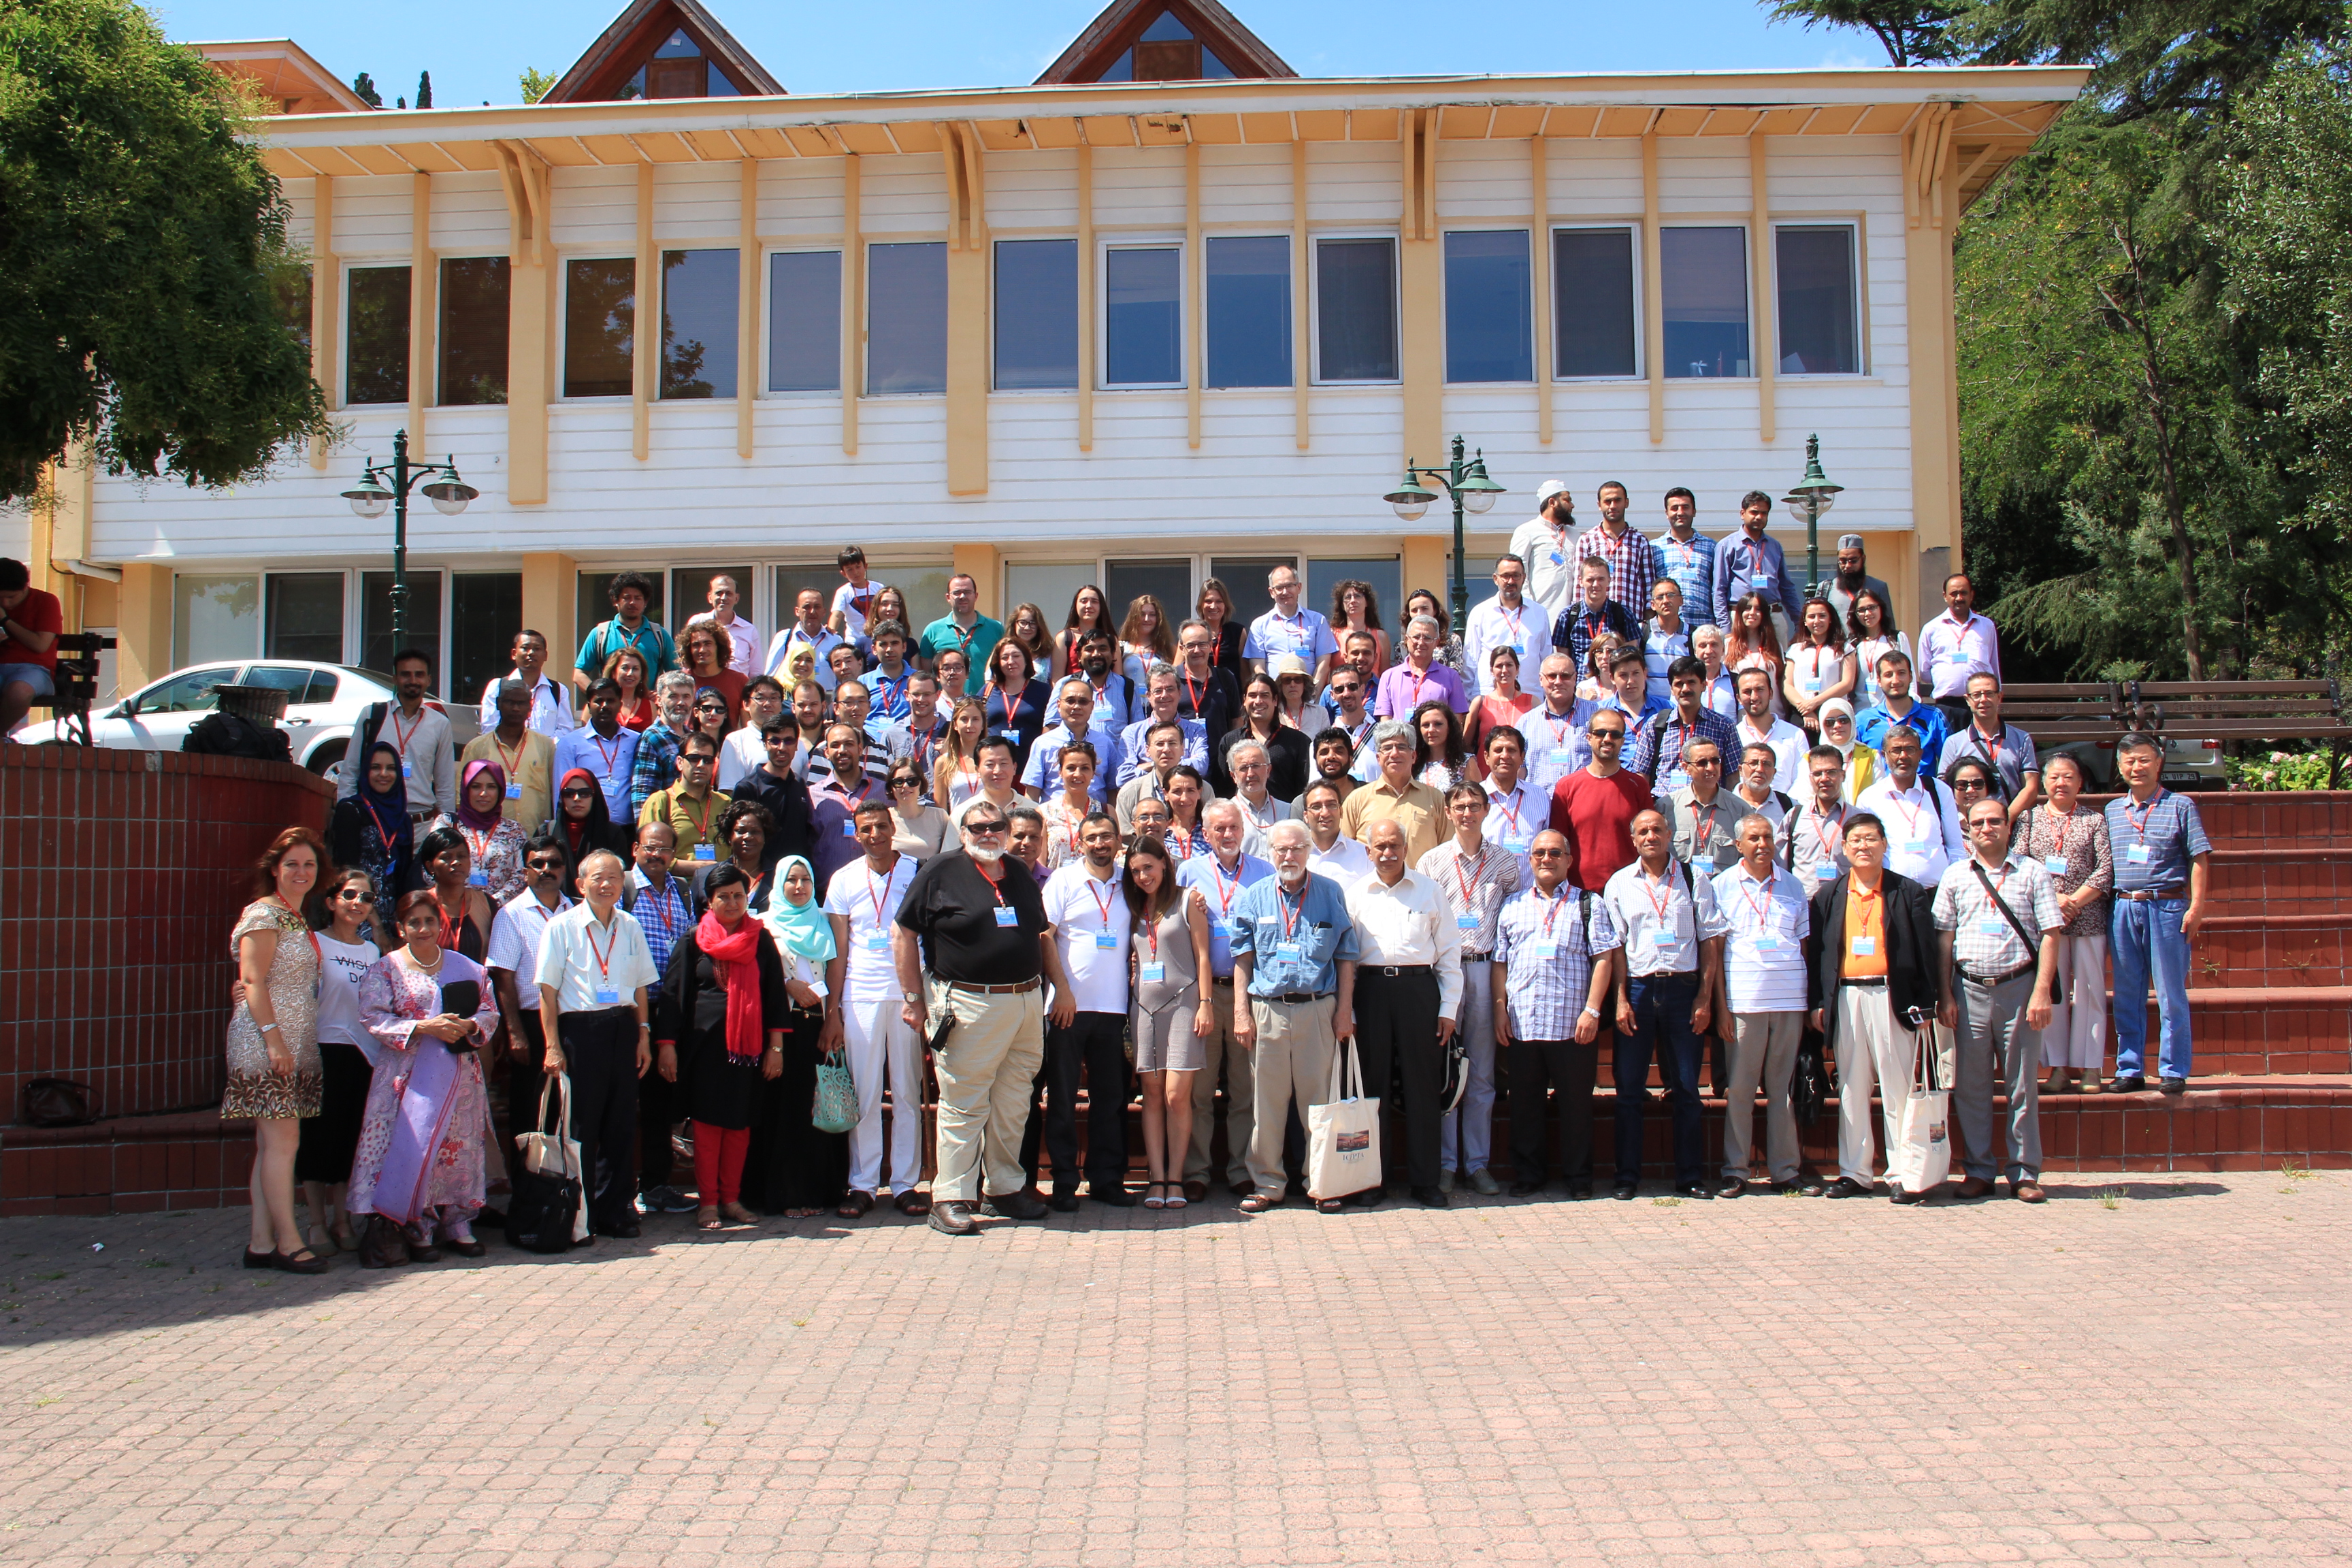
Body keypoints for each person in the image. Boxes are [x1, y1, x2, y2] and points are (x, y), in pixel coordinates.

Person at [894, 798, 1075, 1236]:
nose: (988, 834)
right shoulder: (940, 871)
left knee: (1014, 1101)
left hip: (1026, 1002)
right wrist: (913, 998)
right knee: (965, 1102)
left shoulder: (1018, 873)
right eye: (978, 828)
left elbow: (1040, 934)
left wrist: (1060, 987)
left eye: (996, 826)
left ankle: (1004, 1189)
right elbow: (903, 934)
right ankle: (950, 1196)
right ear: (963, 832)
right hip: (969, 1004)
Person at [350, 889, 502, 1263]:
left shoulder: (467, 967)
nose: (423, 929)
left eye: (430, 921)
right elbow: (372, 1016)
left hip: (459, 1077)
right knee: (417, 1149)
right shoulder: (386, 969)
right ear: (401, 928)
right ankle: (419, 1226)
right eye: (414, 922)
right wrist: (423, 1027)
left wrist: (470, 1025)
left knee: (459, 1149)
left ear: (440, 924)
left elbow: (489, 1011)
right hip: (406, 1079)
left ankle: (459, 1223)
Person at [1220, 819, 1355, 1214]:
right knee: (1266, 1105)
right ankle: (1267, 1184)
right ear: (1271, 852)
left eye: (1297, 848)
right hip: (1269, 1010)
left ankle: (1321, 1183)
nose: (1289, 856)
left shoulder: (1330, 892)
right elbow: (1243, 957)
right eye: (1281, 849)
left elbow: (1347, 956)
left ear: (1309, 850)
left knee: (1318, 1104)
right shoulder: (1255, 896)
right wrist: (1241, 1012)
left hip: (1318, 1009)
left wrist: (1344, 1011)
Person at [1933, 796, 2064, 1202]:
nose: (1986, 828)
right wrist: (1945, 994)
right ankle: (1978, 1170)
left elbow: (2051, 934)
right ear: (1968, 830)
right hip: (1968, 990)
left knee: (2021, 1085)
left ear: (2008, 827)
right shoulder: (1955, 875)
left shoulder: (2032, 872)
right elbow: (1944, 939)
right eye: (1978, 823)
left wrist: (2042, 991)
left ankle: (2024, 1173)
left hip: (2019, 989)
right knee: (1971, 1087)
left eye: (1994, 821)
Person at [1806, 814, 1940, 1200]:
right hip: (1846, 998)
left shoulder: (1907, 891)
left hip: (1892, 997)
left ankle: (1902, 1173)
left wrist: (1926, 1004)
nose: (1863, 846)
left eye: (1871, 839)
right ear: (1844, 848)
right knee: (1851, 1086)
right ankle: (1856, 1172)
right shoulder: (1829, 895)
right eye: (1856, 840)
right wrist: (1819, 1002)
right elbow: (1819, 956)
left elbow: (1926, 952)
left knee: (1897, 1087)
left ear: (1884, 844)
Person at [649, 862, 789, 1230]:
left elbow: (775, 995)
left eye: (738, 896)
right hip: (704, 1051)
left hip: (748, 1051)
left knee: (739, 1126)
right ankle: (708, 1202)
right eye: (723, 897)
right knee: (708, 1127)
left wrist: (775, 1048)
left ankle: (731, 1199)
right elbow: (673, 996)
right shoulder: (693, 940)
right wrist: (667, 1045)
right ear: (709, 901)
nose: (732, 903)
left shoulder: (760, 939)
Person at [534, 849, 658, 1240]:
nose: (607, 885)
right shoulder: (561, 927)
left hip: (623, 1028)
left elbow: (641, 986)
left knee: (621, 1125)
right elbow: (547, 992)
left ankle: (614, 1211)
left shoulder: (630, 925)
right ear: (581, 884)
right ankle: (580, 1214)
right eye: (598, 878)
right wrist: (552, 1046)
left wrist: (643, 1035)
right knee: (583, 1126)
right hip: (581, 1032)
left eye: (615, 878)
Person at [1602, 810, 1727, 1198]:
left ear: (1669, 834)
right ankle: (1627, 1177)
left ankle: (1690, 1177)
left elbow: (1710, 940)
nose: (1651, 836)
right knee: (1629, 1090)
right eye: (1643, 831)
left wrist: (1704, 997)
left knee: (1687, 1088)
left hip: (1683, 990)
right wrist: (1620, 999)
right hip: (1639, 990)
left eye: (1657, 829)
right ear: (1633, 839)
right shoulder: (1620, 883)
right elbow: (1616, 947)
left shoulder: (1694, 878)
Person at [1492, 828, 1620, 1197]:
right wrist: (1500, 1009)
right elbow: (1500, 963)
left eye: (1554, 853)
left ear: (1569, 860)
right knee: (1525, 1105)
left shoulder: (1589, 904)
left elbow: (1604, 959)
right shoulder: (1512, 905)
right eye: (1539, 853)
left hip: (1572, 1024)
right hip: (1524, 1022)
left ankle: (1578, 1178)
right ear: (1529, 860)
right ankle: (1529, 1175)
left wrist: (1592, 1011)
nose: (1546, 859)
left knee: (1576, 1106)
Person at [225, 828, 329, 1273]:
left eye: (309, 864)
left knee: (271, 1145)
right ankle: (289, 1242)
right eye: (292, 865)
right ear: (274, 869)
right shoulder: (264, 913)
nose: (301, 872)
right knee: (285, 1144)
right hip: (267, 1042)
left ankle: (261, 1242)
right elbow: (252, 980)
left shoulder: (295, 917)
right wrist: (273, 1040)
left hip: (291, 1042)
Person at [1344, 819, 1464, 1208]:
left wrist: (1448, 1008)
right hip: (1372, 992)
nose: (1387, 853)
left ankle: (1426, 1181)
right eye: (1380, 846)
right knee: (1372, 1087)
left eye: (1394, 845)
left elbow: (1449, 953)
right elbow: (1347, 959)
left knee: (1423, 1086)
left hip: (1419, 991)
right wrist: (1349, 1010)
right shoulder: (1356, 895)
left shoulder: (1430, 891)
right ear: (1368, 852)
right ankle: (1373, 1179)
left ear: (1406, 848)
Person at [821, 802, 930, 1216]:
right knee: (865, 1094)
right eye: (866, 829)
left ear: (892, 827)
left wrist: (923, 998)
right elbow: (838, 950)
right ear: (857, 834)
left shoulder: (918, 872)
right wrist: (833, 1010)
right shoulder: (844, 878)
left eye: (882, 826)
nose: (875, 835)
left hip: (907, 995)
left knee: (906, 1093)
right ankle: (863, 1184)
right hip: (860, 994)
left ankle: (905, 1184)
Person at [1024, 812, 1135, 1209]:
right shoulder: (1063, 880)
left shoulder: (1129, 881)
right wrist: (1062, 991)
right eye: (1092, 838)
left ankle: (1106, 1180)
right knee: (1062, 1100)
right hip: (1066, 1009)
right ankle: (1065, 1182)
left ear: (1118, 840)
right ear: (1080, 843)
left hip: (1115, 1008)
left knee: (1111, 1099)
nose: (1100, 844)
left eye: (1107, 836)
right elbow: (1044, 936)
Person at [1420, 783, 1522, 1196]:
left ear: (1486, 810)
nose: (1467, 813)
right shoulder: (1431, 862)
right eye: (1460, 806)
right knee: (1446, 1071)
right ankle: (1446, 1164)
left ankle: (1477, 1163)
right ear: (1448, 812)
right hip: (1444, 972)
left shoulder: (1506, 863)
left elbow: (1515, 918)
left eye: (1474, 806)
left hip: (1486, 969)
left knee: (1481, 1072)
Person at [1171, 800, 1273, 1198]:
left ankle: (1241, 1169)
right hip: (1205, 995)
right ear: (1207, 833)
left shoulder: (1264, 872)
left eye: (1233, 827)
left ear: (1243, 830)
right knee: (1200, 1090)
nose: (1228, 835)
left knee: (1245, 1090)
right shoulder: (1188, 872)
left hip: (1249, 994)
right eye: (1219, 829)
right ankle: (1196, 1172)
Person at [2104, 733, 2210, 1094]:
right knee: (2127, 993)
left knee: (2170, 993)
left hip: (2166, 906)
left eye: (2144, 759)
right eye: (2130, 761)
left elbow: (2199, 858)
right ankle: (2130, 1067)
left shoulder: (2181, 805)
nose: (2137, 767)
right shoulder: (2112, 810)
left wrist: (2196, 906)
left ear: (2159, 763)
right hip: (2123, 907)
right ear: (2120, 767)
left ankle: (2173, 1069)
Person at [1710, 814, 1810, 1197]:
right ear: (1738, 845)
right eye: (1754, 838)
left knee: (1781, 1090)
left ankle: (1785, 1171)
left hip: (1789, 1001)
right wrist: (1721, 1008)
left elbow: (1803, 945)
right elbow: (1715, 951)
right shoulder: (1721, 886)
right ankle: (1736, 1170)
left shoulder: (1793, 885)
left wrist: (1806, 998)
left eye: (1767, 837)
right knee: (1740, 1090)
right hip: (1744, 1000)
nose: (1762, 844)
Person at [745, 855, 849, 1216]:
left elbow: (836, 969)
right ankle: (784, 1195)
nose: (800, 886)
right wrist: (788, 984)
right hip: (780, 1028)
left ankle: (816, 1192)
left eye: (806, 879)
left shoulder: (825, 921)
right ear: (779, 884)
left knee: (815, 1108)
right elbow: (757, 973)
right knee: (782, 1111)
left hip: (818, 1026)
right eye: (791, 880)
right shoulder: (763, 924)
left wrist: (833, 1019)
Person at [1117, 834, 1211, 1209]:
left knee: (1176, 1094)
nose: (1143, 876)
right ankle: (1156, 1179)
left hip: (1185, 1004)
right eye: (1136, 871)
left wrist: (1206, 1003)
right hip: (1144, 1008)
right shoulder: (1132, 906)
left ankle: (1176, 1178)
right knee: (1152, 1095)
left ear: (1165, 865)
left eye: (1149, 868)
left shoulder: (1189, 900)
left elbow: (1203, 956)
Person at [293, 866, 382, 1256]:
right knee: (317, 1140)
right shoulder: (313, 944)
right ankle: (316, 1222)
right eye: (349, 895)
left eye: (366, 897)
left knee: (349, 1141)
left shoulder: (372, 952)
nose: (357, 903)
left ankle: (342, 1220)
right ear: (331, 901)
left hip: (363, 1056)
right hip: (324, 1050)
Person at [2015, 754, 2113, 1094]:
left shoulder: (2094, 820)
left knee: (2091, 993)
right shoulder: (2028, 819)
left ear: (2080, 782)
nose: (2061, 783)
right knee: (2053, 992)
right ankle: (2057, 1067)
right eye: (2054, 777)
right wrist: (2054, 899)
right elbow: (2020, 862)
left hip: (2087, 918)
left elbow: (2105, 869)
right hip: (2046, 921)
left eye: (2068, 777)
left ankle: (2091, 1068)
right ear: (2043, 782)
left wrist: (2072, 902)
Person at [487, 835, 572, 1157]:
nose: (546, 869)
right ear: (525, 871)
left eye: (554, 863)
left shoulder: (577, 911)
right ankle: (528, 1184)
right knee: (530, 1111)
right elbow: (503, 976)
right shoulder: (511, 914)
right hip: (531, 1024)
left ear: (564, 869)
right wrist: (515, 1032)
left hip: (571, 1022)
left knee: (566, 1110)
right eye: (538, 863)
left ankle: (564, 1183)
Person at [335, 647, 455, 821]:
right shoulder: (372, 716)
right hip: (377, 822)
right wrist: (347, 816)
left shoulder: (440, 724)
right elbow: (350, 772)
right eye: (406, 675)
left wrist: (448, 824)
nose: (413, 681)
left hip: (421, 824)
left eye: (419, 675)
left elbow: (445, 784)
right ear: (395, 679)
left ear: (429, 680)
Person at [1549, 709, 1648, 895]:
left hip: (1629, 890)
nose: (1607, 739)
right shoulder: (1567, 787)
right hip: (1579, 892)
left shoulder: (1637, 786)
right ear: (1589, 738)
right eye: (1601, 733)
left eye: (1615, 734)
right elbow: (1558, 844)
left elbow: (1647, 839)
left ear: (1622, 741)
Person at [1857, 727, 1967, 893]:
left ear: (1920, 754)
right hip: (1892, 892)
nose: (1903, 756)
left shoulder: (1939, 790)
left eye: (1910, 749)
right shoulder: (1870, 798)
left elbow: (1955, 847)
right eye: (1896, 750)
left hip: (1937, 893)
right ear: (1884, 755)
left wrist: (1956, 886)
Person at [330, 742, 421, 932]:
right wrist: (375, 925)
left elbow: (404, 878)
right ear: (366, 771)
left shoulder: (403, 819)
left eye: (391, 768)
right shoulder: (351, 810)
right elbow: (346, 873)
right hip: (356, 915)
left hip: (392, 922)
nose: (384, 774)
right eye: (376, 767)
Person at [1341, 719, 1448, 865]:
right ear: (1378, 758)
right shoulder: (1356, 800)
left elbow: (1448, 851)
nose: (1394, 754)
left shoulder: (1435, 798)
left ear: (1413, 756)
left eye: (1401, 747)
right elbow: (1344, 850)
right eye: (1387, 748)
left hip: (1422, 880)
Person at [1629, 655, 1740, 796]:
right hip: (1664, 803)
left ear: (1703, 686)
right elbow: (1642, 774)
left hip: (1708, 804)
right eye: (1679, 684)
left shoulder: (1723, 726)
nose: (1685, 689)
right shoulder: (1656, 725)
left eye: (1691, 682)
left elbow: (1733, 776)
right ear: (1671, 689)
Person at [1938, 672, 2042, 817]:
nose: (1983, 700)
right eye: (1976, 695)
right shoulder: (1954, 742)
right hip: (1970, 822)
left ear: (1999, 697)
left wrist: (2006, 819)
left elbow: (2030, 786)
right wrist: (1969, 820)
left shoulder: (2021, 739)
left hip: (2013, 819)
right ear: (1968, 700)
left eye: (1989, 694)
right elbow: (1944, 788)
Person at [432, 758, 527, 906]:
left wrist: (491, 904)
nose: (484, 793)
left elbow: (521, 876)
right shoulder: (447, 823)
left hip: (500, 911)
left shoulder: (514, 830)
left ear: (500, 791)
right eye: (476, 787)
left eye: (491, 787)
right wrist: (459, 902)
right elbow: (430, 869)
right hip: (452, 908)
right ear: (466, 789)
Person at [464, 680, 557, 831]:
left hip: (535, 835)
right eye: (510, 702)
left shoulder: (546, 746)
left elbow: (555, 794)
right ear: (498, 703)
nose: (515, 708)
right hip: (490, 836)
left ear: (530, 706)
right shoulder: (476, 748)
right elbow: (462, 798)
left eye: (521, 703)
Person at [1916, 573, 2002, 733]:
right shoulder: (1931, 629)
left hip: (1980, 704)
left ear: (1972, 595)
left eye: (1963, 593)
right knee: (1948, 747)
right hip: (1946, 707)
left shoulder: (1986, 626)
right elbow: (1924, 672)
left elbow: (1993, 665)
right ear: (1945, 596)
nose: (1959, 598)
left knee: (1981, 746)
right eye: (1954, 593)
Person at [1710, 489, 1803, 637]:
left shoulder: (1774, 546)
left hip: (1772, 616)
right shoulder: (1727, 545)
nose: (1759, 517)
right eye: (1754, 512)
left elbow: (1786, 587)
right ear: (1743, 514)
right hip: (1741, 616)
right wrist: (1725, 627)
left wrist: (1799, 622)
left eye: (1764, 513)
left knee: (1778, 653)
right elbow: (1719, 589)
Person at [552, 680, 640, 821]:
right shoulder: (570, 743)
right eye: (599, 701)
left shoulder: (636, 740)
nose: (605, 706)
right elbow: (561, 790)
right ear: (589, 706)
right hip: (587, 827)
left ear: (620, 705)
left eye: (610, 701)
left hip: (627, 827)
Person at [638, 730, 732, 865]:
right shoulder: (660, 802)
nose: (701, 765)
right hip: (677, 878)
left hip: (720, 877)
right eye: (694, 758)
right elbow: (646, 855)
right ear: (680, 762)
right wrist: (696, 868)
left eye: (708, 760)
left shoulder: (725, 803)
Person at [573, 570, 674, 693]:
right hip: (611, 704)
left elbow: (675, 674)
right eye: (627, 598)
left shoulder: (659, 635)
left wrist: (661, 696)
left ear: (645, 602)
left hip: (647, 703)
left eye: (638, 598)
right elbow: (579, 674)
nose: (632, 602)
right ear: (616, 601)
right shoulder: (601, 633)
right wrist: (600, 695)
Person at [1215, 671, 1308, 800]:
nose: (1258, 701)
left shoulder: (1298, 741)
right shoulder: (1230, 741)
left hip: (1285, 811)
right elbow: (1222, 789)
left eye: (1265, 695)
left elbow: (1304, 788)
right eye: (1252, 696)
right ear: (1244, 700)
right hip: (1241, 812)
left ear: (1275, 700)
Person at [1245, 564, 1339, 687]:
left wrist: (1313, 694)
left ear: (1299, 587)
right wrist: (1270, 693)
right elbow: (1257, 666)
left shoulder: (1318, 621)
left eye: (1290, 586)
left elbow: (1324, 663)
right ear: (1272, 592)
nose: (1285, 592)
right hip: (1274, 694)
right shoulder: (1259, 625)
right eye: (1279, 588)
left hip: (1308, 693)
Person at [416, 823, 495, 964]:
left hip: (477, 978)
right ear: (430, 866)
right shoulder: (419, 906)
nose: (456, 862)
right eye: (447, 857)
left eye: (462, 856)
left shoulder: (487, 904)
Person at [1852, 649, 1950, 764]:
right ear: (1879, 680)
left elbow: (1948, 764)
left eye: (1901, 673)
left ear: (1911, 677)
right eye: (1889, 675)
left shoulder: (1934, 717)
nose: (1895, 681)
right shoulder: (1863, 720)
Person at [1116, 720, 1215, 832]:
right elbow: (1126, 838)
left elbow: (1212, 830)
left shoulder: (1204, 790)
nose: (1166, 749)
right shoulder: (1130, 793)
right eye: (1160, 744)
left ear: (1182, 749)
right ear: (1148, 750)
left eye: (1172, 743)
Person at [1522, 653, 1595, 802]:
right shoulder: (1526, 723)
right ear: (1541, 680)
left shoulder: (1596, 715)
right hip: (1540, 805)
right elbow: (1520, 771)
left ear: (1575, 679)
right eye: (1552, 676)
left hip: (1585, 801)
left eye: (1565, 676)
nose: (1558, 681)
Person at [1118, 664, 1209, 785]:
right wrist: (1172, 763)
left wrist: (1150, 765)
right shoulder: (1132, 733)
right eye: (1158, 691)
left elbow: (1201, 767)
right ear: (1149, 696)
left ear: (1179, 693)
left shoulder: (1195, 731)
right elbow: (1123, 778)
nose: (1164, 695)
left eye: (1170, 689)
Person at [1779, 744, 1854, 890]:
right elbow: (1781, 866)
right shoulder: (1794, 817)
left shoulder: (1857, 819)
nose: (1824, 778)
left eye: (1831, 772)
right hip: (1803, 900)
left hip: (1844, 899)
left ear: (1843, 775)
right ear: (1810, 778)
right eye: (1818, 773)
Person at [1659, 738, 1741, 872]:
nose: (1710, 768)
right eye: (1702, 763)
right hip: (1681, 884)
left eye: (1715, 761)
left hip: (1720, 884)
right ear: (1686, 768)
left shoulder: (1740, 810)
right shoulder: (1666, 807)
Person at [626, 672, 700, 818]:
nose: (681, 702)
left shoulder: (693, 737)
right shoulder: (652, 738)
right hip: (666, 822)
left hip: (694, 821)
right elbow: (643, 793)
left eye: (686, 696)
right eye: (673, 696)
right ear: (659, 701)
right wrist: (646, 828)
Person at [1465, 557, 1541, 698]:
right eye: (1505, 576)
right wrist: (1467, 699)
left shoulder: (1539, 613)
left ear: (1524, 578)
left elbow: (1545, 657)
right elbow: (1470, 661)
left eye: (1516, 576)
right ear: (1496, 579)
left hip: (1531, 696)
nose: (1511, 581)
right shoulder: (1480, 612)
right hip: (1489, 696)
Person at [1508, 478, 1582, 622]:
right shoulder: (1527, 531)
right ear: (1552, 502)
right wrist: (1528, 607)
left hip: (1571, 617)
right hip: (1537, 615)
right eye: (1567, 500)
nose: (1572, 505)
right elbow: (1517, 571)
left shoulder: (1575, 535)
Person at [476, 629, 574, 737]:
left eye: (537, 649)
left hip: (547, 748)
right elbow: (489, 729)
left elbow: (565, 730)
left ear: (545, 655)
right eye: (525, 648)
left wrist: (543, 745)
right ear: (514, 654)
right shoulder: (498, 687)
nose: (531, 653)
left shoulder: (558, 690)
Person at [1554, 557, 1639, 681]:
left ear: (1609, 580)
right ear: (1581, 581)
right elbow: (1563, 663)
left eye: (1601, 579)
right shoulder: (1567, 617)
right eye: (1591, 580)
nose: (1596, 585)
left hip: (1613, 686)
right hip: (1580, 686)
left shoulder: (1623, 615)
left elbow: (1631, 657)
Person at [1783, 598, 1857, 738]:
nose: (1817, 621)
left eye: (1822, 616)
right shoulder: (1794, 649)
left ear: (1830, 619)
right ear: (1805, 621)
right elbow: (1788, 685)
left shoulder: (1845, 648)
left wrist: (1815, 703)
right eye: (1812, 617)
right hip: (1802, 715)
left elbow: (1847, 683)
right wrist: (1806, 710)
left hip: (1834, 714)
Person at [1731, 667, 1808, 794]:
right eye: (1747, 692)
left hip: (1787, 805)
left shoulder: (1795, 734)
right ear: (1738, 698)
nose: (1754, 697)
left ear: (1771, 693)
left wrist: (1785, 804)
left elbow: (1803, 778)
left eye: (1760, 689)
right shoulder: (1732, 735)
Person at [1650, 487, 1718, 630]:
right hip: (1668, 627)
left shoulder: (1711, 547)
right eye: (1675, 508)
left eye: (1685, 507)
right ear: (1667, 513)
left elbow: (1718, 588)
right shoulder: (1654, 548)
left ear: (1694, 511)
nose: (1680, 513)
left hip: (1703, 626)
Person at [915, 572, 1004, 681]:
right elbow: (927, 675)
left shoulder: (996, 628)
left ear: (976, 596)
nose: (962, 597)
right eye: (957, 593)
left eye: (967, 592)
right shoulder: (933, 631)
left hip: (986, 692)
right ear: (948, 597)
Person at [981, 636, 1051, 771]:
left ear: (1026, 659)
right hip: (995, 769)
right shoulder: (988, 690)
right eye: (1005, 657)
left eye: (1016, 656)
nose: (1011, 661)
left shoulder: (1043, 691)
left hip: (1031, 767)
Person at [766, 588, 848, 693]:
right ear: (797, 611)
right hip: (792, 701)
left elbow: (843, 677)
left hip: (827, 701)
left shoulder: (835, 640)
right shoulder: (785, 638)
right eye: (807, 607)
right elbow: (771, 676)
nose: (812, 612)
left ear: (824, 612)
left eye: (817, 607)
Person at [1464, 644, 1536, 762]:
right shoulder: (1480, 703)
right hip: (1485, 771)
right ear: (1492, 670)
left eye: (1509, 665)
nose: (1504, 670)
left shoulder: (1533, 703)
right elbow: (1466, 746)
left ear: (1517, 669)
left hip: (1522, 771)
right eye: (1499, 666)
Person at [1173, 616, 1241, 740]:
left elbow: (1236, 720)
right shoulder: (1172, 679)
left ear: (1210, 646)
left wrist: (1233, 747)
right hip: (1183, 752)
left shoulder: (1225, 678)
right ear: (1182, 649)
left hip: (1219, 752)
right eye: (1191, 645)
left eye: (1202, 644)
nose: (1197, 650)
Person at [1723, 592, 1788, 716]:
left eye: (1758, 609)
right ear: (1740, 612)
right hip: (1742, 717)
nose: (1752, 613)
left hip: (1774, 715)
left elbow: (1781, 683)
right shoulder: (1727, 645)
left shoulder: (1774, 645)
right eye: (1748, 608)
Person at [686, 573, 762, 679]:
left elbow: (756, 672)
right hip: (703, 686)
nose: (723, 598)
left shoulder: (749, 630)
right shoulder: (697, 622)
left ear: (736, 598)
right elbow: (686, 662)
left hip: (739, 688)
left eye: (729, 593)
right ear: (710, 597)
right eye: (719, 593)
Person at [716, 676, 786, 790]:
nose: (768, 704)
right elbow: (729, 790)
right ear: (746, 704)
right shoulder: (735, 741)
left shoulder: (795, 742)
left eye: (774, 698)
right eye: (760, 698)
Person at [1848, 587, 1910, 712]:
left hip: (1893, 709)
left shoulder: (1896, 639)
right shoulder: (1853, 644)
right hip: (1862, 709)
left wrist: (1912, 702)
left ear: (1881, 608)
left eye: (1872, 607)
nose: (1867, 614)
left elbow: (1910, 671)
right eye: (1861, 610)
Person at [1225, 738, 1298, 841]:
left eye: (1256, 766)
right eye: (1243, 768)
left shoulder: (1287, 810)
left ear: (1268, 770)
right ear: (1234, 776)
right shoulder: (1225, 814)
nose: (1251, 774)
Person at [1301, 777, 1373, 883]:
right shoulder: (1293, 855)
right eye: (1316, 807)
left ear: (1341, 812)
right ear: (1306, 816)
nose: (1325, 813)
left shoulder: (1364, 856)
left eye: (1331, 805)